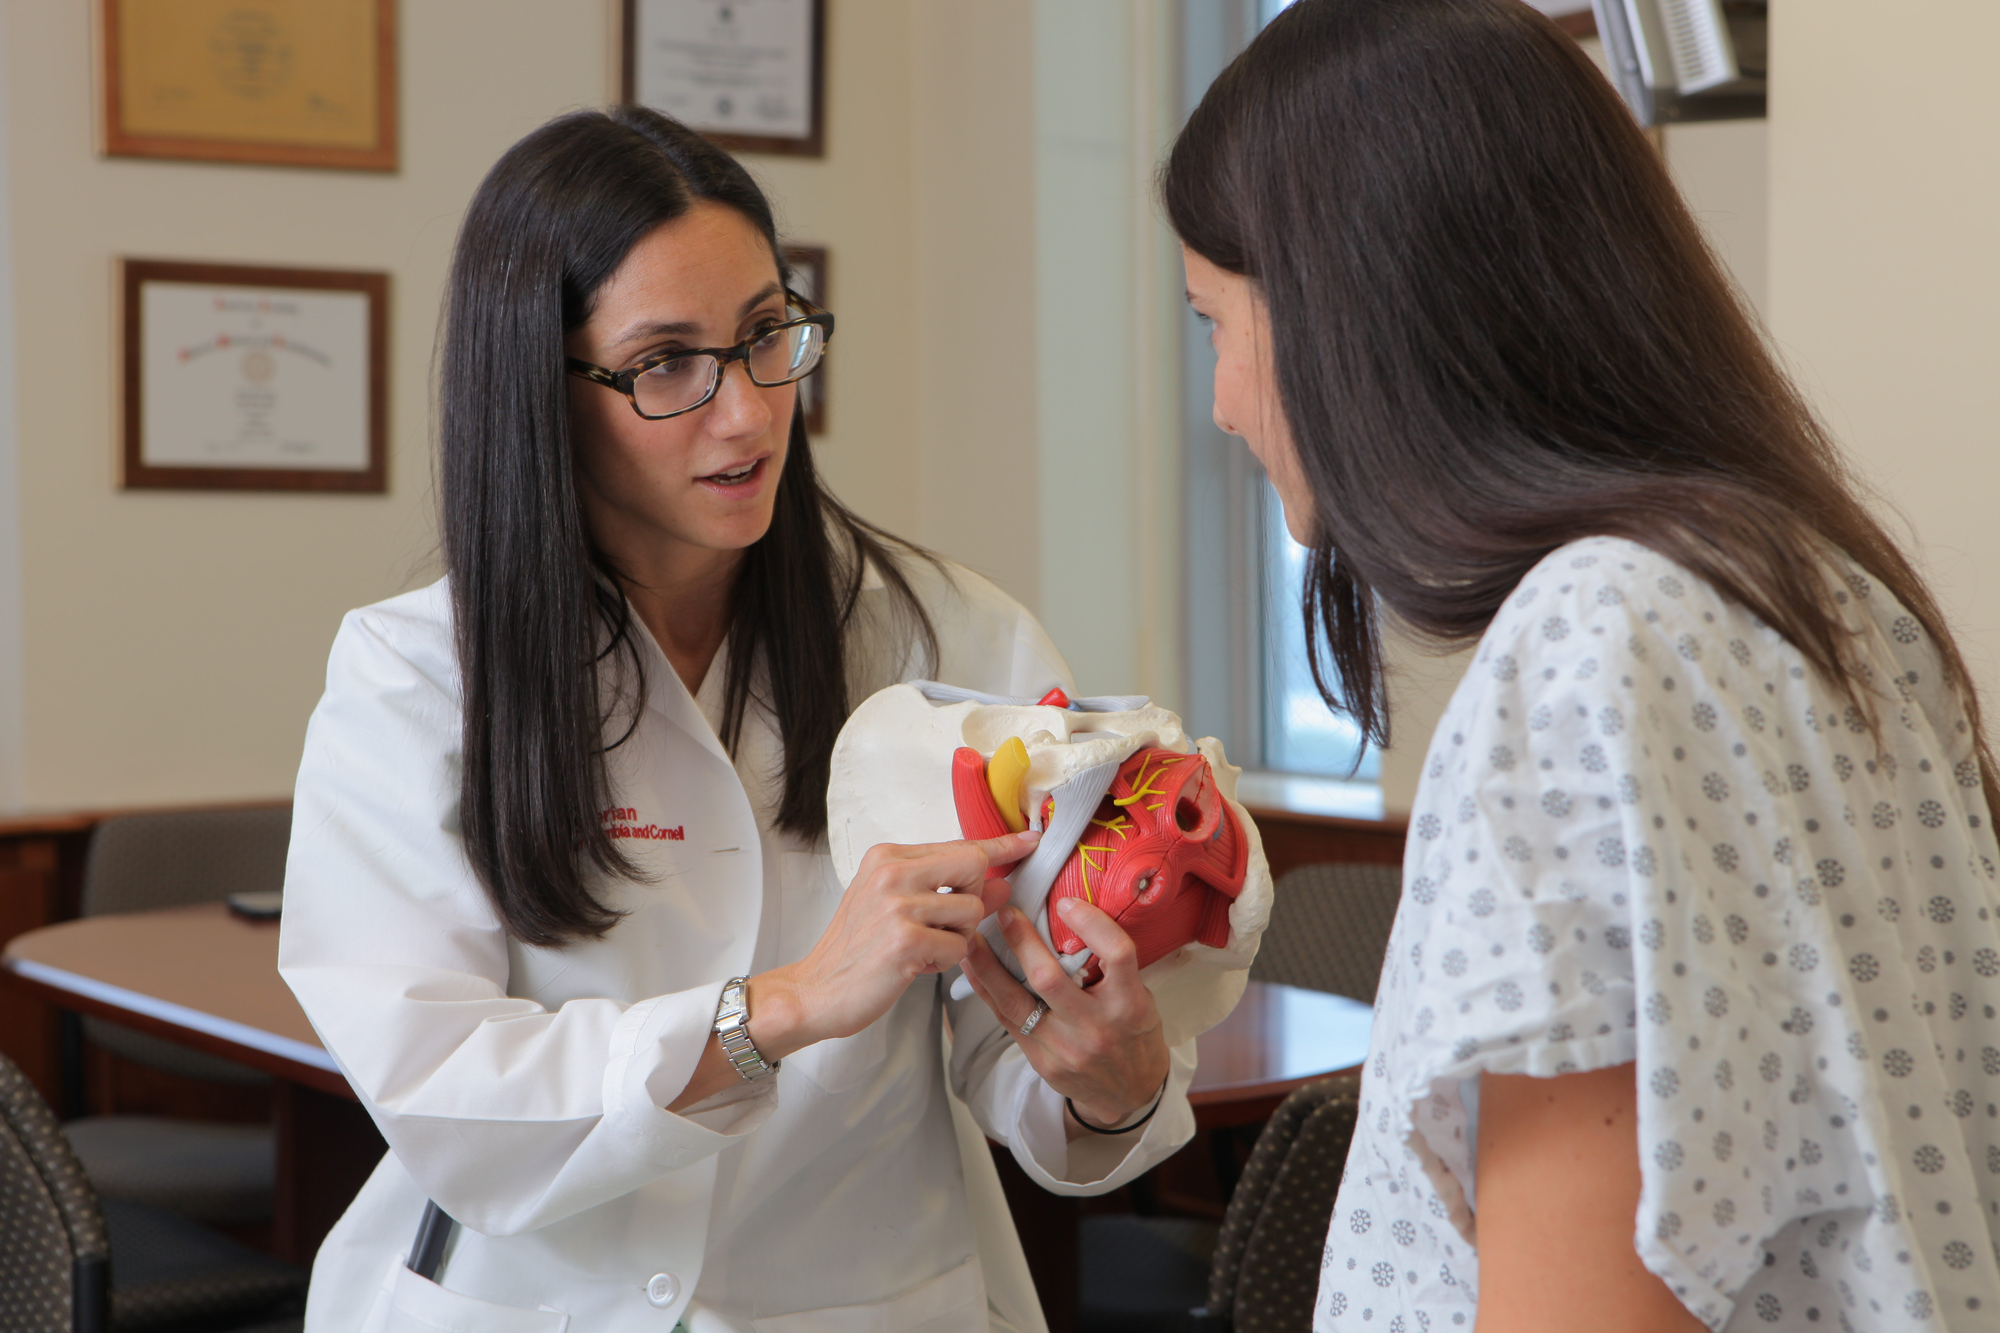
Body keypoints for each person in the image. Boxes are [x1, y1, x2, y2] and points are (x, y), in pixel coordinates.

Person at [278, 106, 1198, 1333]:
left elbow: (1016, 1059)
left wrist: (1110, 1089)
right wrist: (783, 1006)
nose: (748, 413)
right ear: (538, 386)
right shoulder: (416, 676)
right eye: (665, 362)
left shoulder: (952, 649)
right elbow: (445, 1088)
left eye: (766, 335)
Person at [1163, 1, 2000, 1330]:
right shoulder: (1822, 590)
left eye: (1215, 321)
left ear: (1347, 311)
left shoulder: (1587, 647)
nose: (1218, 400)